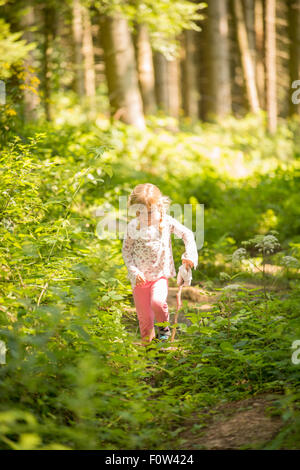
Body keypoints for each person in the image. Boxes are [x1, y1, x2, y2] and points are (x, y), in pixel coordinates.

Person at [122, 183, 198, 345]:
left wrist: (189, 255)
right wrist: (134, 272)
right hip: (139, 279)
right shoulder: (133, 226)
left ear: (159, 206)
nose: (147, 216)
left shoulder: (166, 222)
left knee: (157, 302)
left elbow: (187, 234)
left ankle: (163, 331)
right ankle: (148, 349)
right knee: (145, 318)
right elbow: (126, 251)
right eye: (141, 212)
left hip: (159, 276)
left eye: (151, 212)